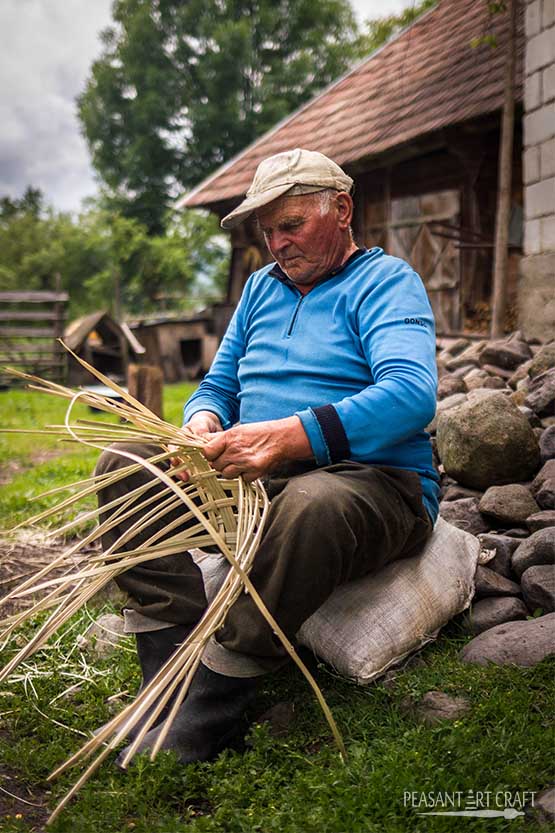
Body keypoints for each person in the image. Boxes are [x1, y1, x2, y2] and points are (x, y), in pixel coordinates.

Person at [95, 147, 439, 767]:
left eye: (292, 225)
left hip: (370, 483)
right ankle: (168, 667)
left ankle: (214, 699)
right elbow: (216, 387)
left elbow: (411, 396)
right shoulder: (260, 289)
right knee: (126, 463)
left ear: (342, 210)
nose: (277, 243)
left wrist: (288, 438)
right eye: (268, 230)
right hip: (257, 477)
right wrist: (200, 423)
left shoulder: (385, 282)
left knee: (312, 502)